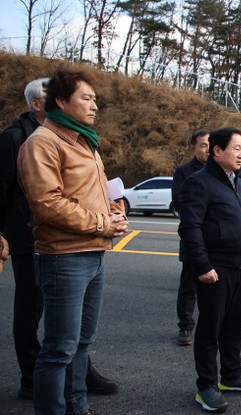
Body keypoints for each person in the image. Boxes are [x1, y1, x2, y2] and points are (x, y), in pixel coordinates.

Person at [17, 67, 129, 415]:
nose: (94, 106)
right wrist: (101, 222)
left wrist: (114, 209)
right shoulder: (42, 143)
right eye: (86, 99)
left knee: (81, 343)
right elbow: (47, 204)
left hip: (92, 252)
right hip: (62, 256)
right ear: (61, 101)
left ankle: (78, 407)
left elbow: (91, 192)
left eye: (95, 99)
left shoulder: (85, 141)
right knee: (59, 349)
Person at [178, 127, 241, 413]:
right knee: (210, 329)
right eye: (237, 148)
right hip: (215, 269)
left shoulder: (240, 181)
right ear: (217, 151)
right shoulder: (199, 183)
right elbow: (190, 228)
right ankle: (206, 386)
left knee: (235, 325)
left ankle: (231, 375)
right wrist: (202, 265)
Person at [172, 129, 210, 346]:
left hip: (217, 240)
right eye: (202, 145)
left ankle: (211, 326)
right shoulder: (184, 171)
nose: (206, 149)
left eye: (210, 144)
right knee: (189, 285)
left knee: (214, 286)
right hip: (193, 236)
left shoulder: (221, 170)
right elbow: (179, 202)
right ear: (193, 147)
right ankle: (185, 326)